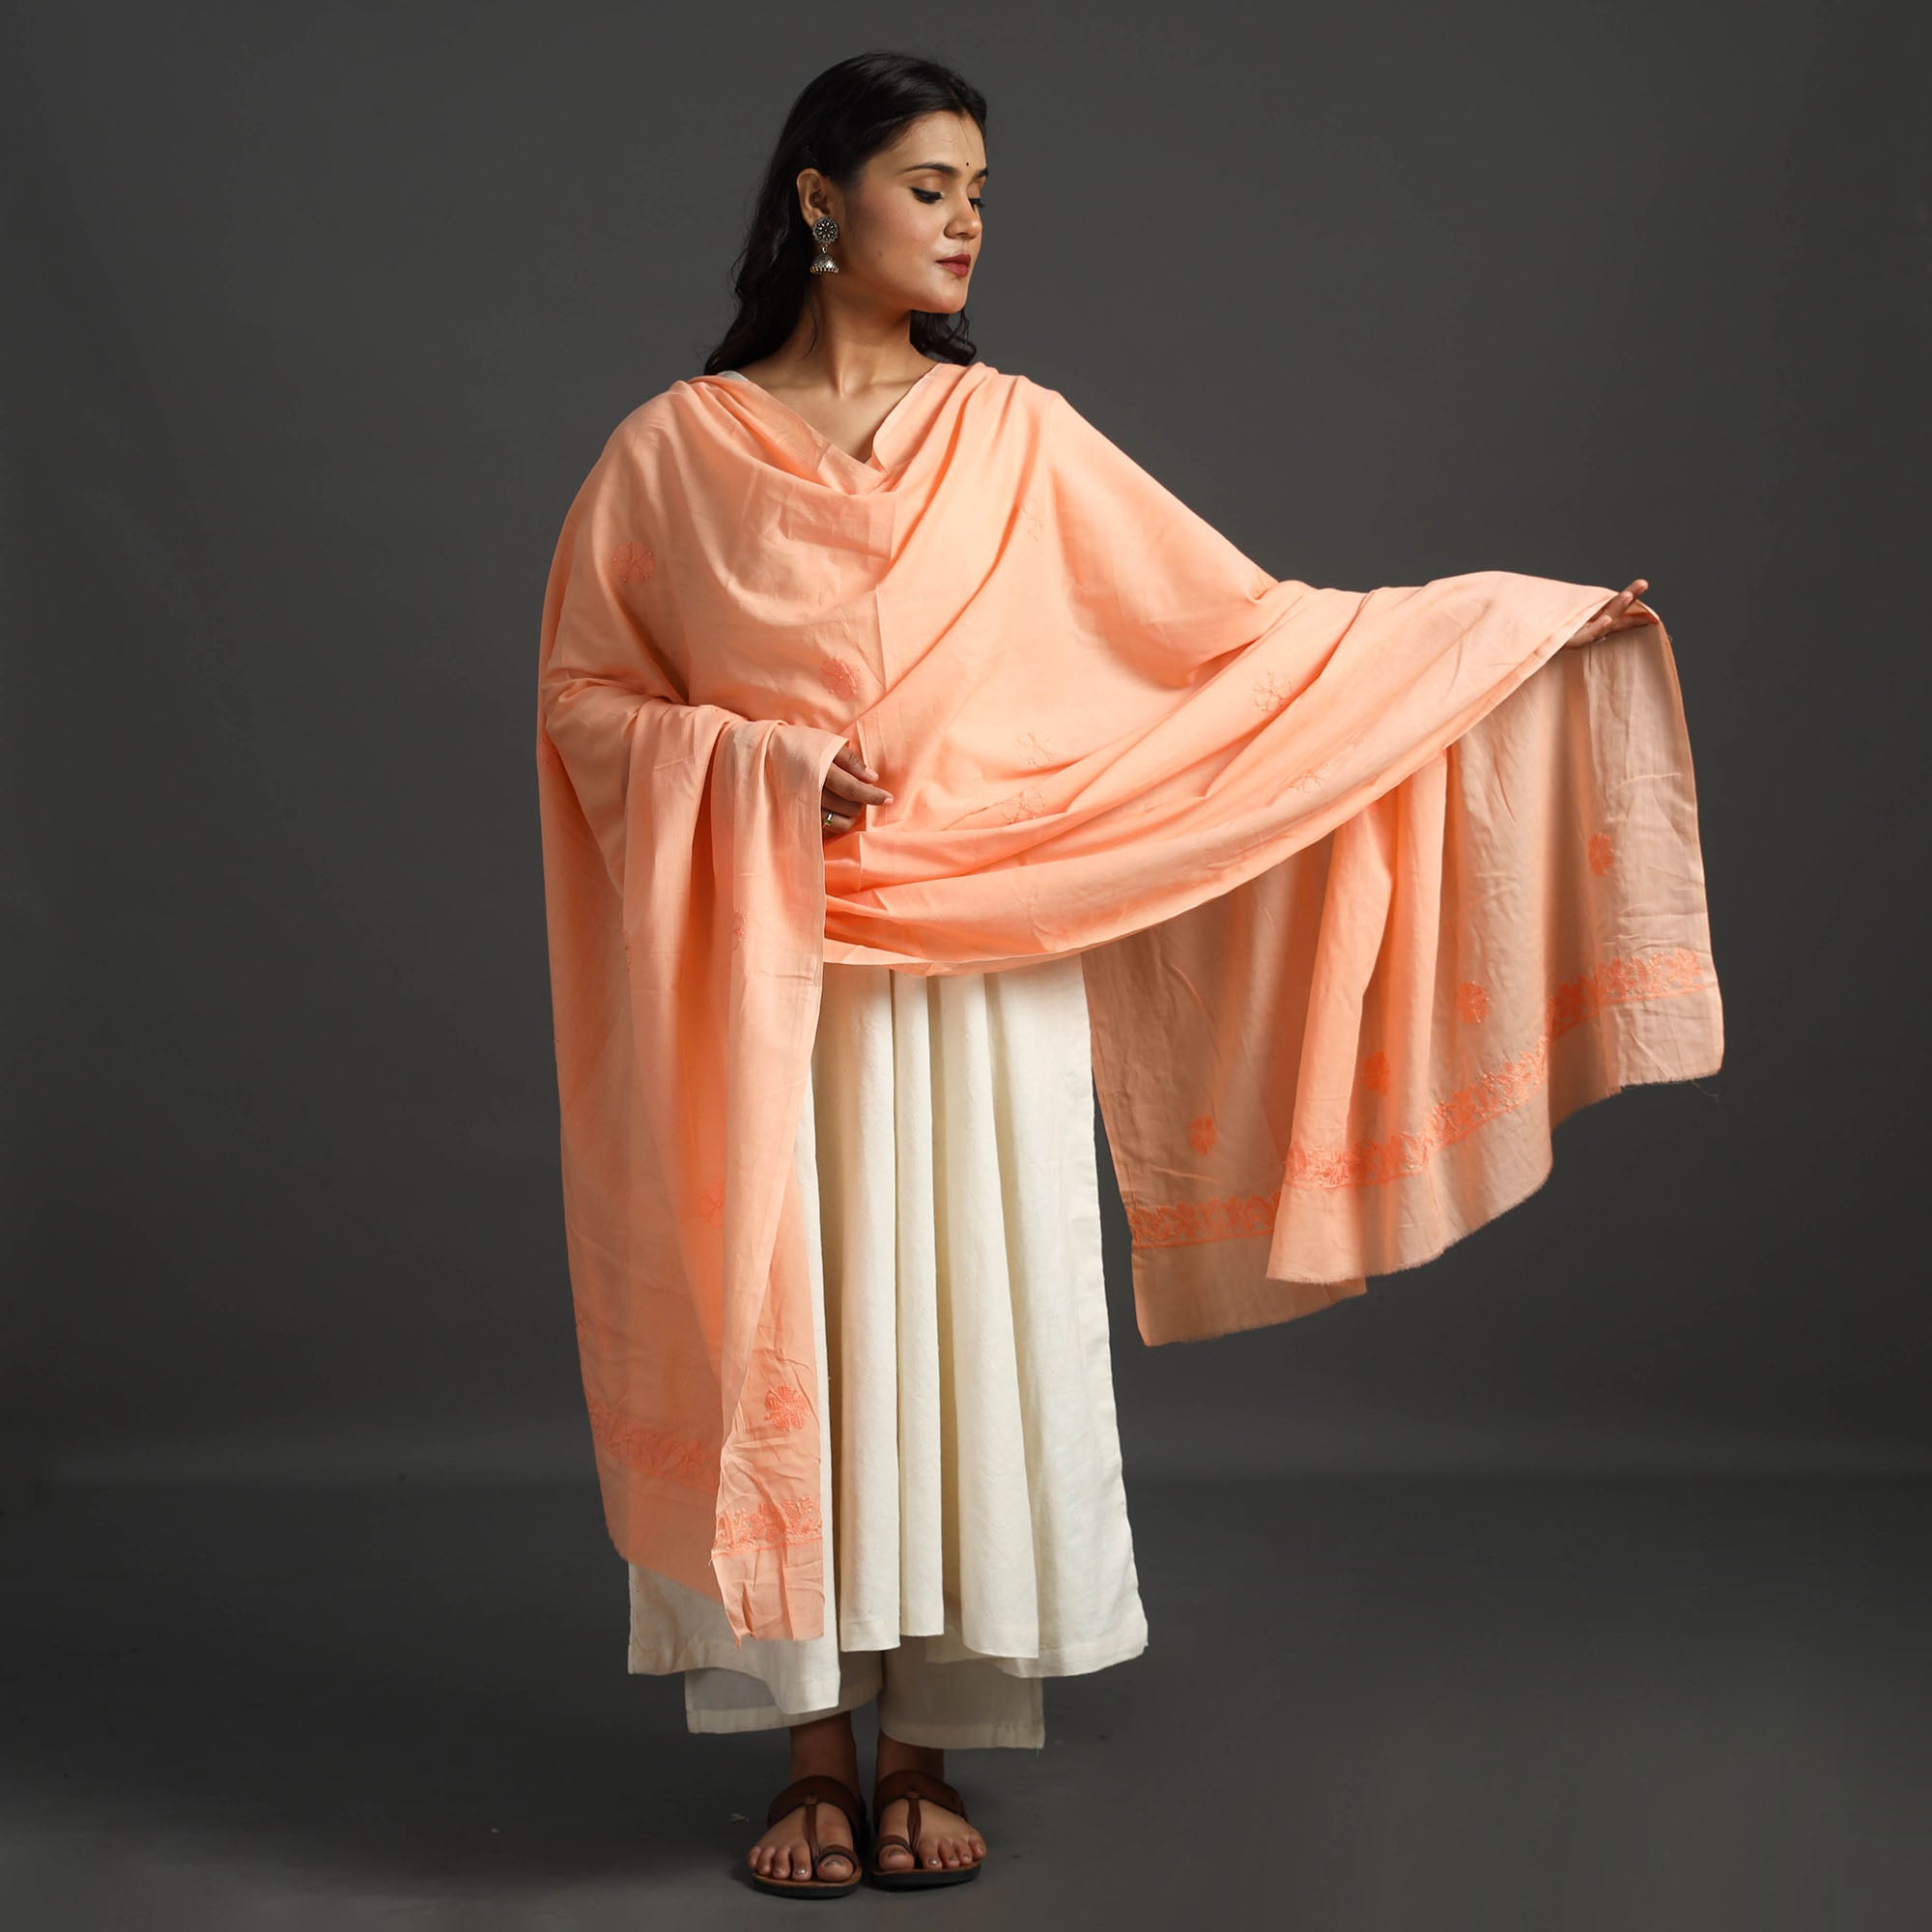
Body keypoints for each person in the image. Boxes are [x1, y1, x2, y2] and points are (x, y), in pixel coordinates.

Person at [540, 48, 1671, 1900]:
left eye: (981, 192)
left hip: (993, 956)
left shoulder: (1020, 439)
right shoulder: (673, 451)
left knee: (964, 1329)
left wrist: (1505, 636)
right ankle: (808, 1755)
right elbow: (587, 700)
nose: (968, 223)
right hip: (771, 968)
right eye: (929, 186)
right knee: (791, 1331)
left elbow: (1242, 641)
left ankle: (926, 1750)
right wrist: (755, 768)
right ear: (820, 198)